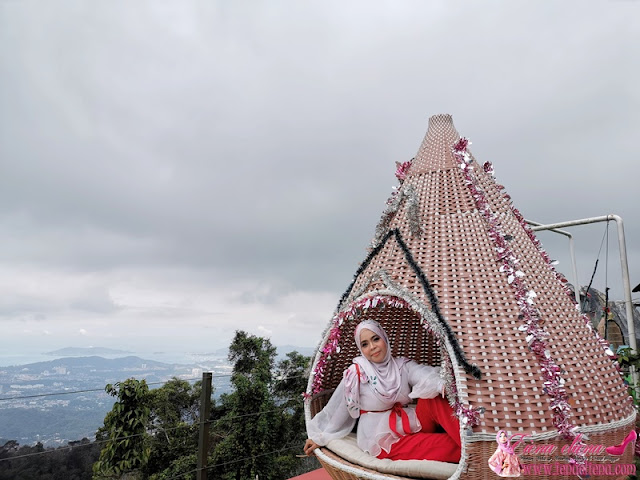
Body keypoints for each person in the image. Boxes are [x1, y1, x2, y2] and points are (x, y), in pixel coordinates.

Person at [303, 319, 461, 463]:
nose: (372, 347)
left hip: (410, 423)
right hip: (384, 439)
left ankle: (473, 440)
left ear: (384, 338)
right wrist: (321, 437)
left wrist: (441, 385)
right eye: (364, 344)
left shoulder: (402, 366)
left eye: (375, 339)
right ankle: (474, 451)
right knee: (452, 447)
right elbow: (340, 409)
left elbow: (423, 375)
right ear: (361, 349)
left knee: (433, 397)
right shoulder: (357, 372)